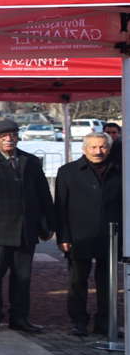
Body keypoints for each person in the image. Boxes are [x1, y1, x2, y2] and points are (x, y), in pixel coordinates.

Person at [0, 119, 55, 332]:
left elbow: (43, 195)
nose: (9, 139)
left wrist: (48, 224)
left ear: (18, 136)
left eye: (13, 135)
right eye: (3, 135)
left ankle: (19, 318)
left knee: (22, 278)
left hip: (25, 232)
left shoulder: (31, 162)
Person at [55, 132, 120, 337]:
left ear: (109, 148)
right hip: (78, 236)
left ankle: (106, 322)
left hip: (111, 235)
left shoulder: (121, 171)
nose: (98, 151)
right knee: (77, 281)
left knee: (108, 283)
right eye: (93, 147)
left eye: (102, 147)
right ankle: (78, 322)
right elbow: (60, 207)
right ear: (84, 149)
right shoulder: (68, 172)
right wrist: (63, 236)